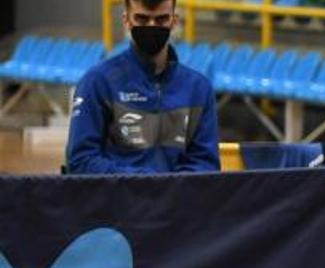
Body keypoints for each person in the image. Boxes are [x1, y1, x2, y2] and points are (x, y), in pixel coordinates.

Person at [66, 0, 220, 174]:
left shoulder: (199, 89)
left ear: (174, 21)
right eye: (142, 19)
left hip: (177, 199)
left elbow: (205, 163)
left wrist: (170, 190)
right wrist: (143, 182)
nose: (151, 26)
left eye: (161, 19)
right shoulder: (97, 82)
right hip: (118, 200)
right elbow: (81, 161)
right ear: (126, 20)